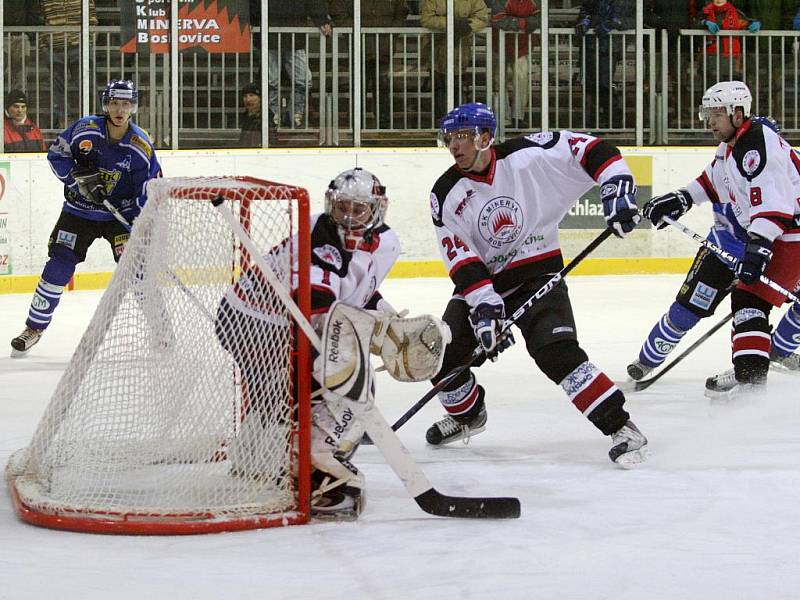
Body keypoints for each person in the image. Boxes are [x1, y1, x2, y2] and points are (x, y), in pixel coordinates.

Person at [425, 101, 648, 467]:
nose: (454, 146)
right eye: (449, 138)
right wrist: (484, 308)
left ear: (486, 137)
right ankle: (468, 417)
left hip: (539, 273)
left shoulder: (530, 156)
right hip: (487, 284)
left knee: (555, 351)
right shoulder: (445, 193)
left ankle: (623, 428)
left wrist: (617, 190)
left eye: (463, 136)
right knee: (440, 353)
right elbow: (460, 258)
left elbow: (595, 150)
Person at [214, 167, 402, 518]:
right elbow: (320, 317)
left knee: (282, 397)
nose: (347, 217)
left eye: (357, 209)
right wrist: (377, 333)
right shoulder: (322, 240)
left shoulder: (384, 242)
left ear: (377, 210)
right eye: (342, 207)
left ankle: (254, 457)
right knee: (347, 378)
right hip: (254, 323)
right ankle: (318, 470)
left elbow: (358, 290)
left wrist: (390, 316)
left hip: (247, 314)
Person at [640, 81, 800, 397]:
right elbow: (713, 183)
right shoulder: (733, 145)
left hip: (791, 234)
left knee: (749, 299)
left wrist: (758, 248)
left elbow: (774, 207)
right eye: (707, 113)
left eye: (716, 114)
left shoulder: (756, 146)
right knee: (749, 300)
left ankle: (752, 380)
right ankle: (751, 373)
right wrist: (680, 199)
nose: (709, 121)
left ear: (737, 113)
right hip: (787, 233)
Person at [10, 79, 162, 356]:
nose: (119, 109)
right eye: (114, 102)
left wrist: (142, 221)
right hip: (79, 212)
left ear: (133, 107)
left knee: (137, 273)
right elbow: (57, 154)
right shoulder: (86, 129)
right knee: (58, 265)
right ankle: (34, 327)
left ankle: (161, 332)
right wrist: (75, 177)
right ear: (106, 104)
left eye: (125, 104)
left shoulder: (139, 145)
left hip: (120, 217)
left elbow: (150, 187)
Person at [327, 0, 410, 129]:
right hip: (362, 45)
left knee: (382, 86)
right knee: (360, 86)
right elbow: (337, 9)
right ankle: (357, 124)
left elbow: (402, 11)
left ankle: (382, 125)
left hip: (381, 45)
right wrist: (355, 29)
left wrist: (391, 31)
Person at [251, 0, 331, 129]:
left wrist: (322, 19)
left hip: (284, 36)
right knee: (272, 81)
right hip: (275, 36)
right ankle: (275, 115)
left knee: (301, 80)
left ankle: (290, 115)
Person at [420, 0, 490, 122]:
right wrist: (451, 23)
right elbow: (426, 19)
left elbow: (482, 17)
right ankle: (441, 121)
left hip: (461, 50)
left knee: (458, 86)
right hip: (436, 49)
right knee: (439, 86)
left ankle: (457, 121)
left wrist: (467, 26)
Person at [39, 0, 98, 128]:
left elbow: (92, 20)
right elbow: (42, 20)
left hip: (79, 45)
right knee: (57, 88)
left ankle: (95, 121)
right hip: (54, 47)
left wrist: (88, 42)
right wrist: (44, 46)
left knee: (87, 85)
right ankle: (62, 122)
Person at [488, 0, 540, 129]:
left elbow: (541, 18)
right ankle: (502, 117)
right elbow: (498, 19)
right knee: (499, 81)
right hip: (499, 45)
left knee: (521, 80)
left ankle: (518, 117)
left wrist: (515, 22)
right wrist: (524, 22)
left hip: (522, 46)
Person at [237, 81, 276, 147]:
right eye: (245, 96)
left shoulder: (267, 118)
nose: (248, 100)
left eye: (252, 95)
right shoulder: (243, 118)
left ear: (260, 98)